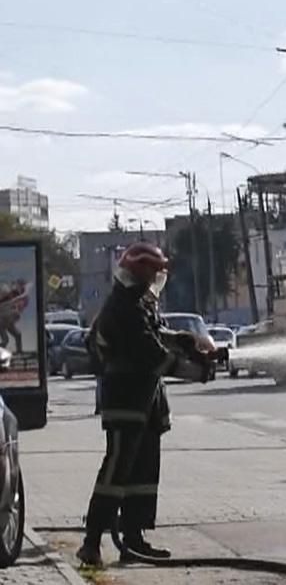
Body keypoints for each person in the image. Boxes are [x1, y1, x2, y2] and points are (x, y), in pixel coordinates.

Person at [77, 242, 217, 567]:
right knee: (116, 472)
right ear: (140, 273)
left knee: (143, 472)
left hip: (146, 401)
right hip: (126, 400)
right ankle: (91, 542)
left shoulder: (139, 303)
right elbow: (150, 354)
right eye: (153, 272)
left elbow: (155, 337)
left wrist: (182, 341)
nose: (157, 278)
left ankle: (134, 537)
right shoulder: (122, 306)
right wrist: (196, 372)